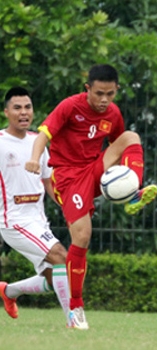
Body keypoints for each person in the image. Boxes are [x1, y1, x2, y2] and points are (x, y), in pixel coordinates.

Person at [25, 64, 157, 330]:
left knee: (131, 136)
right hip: (68, 178)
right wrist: (34, 159)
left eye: (110, 93)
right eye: (99, 93)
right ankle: (75, 308)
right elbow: (43, 135)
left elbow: (120, 145)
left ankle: (133, 192)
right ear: (88, 89)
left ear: (116, 90)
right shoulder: (70, 107)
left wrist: (123, 171)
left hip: (94, 171)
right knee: (83, 236)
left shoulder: (113, 113)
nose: (104, 100)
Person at [0, 87, 71, 327]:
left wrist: (69, 206)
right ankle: (75, 320)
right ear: (6, 112)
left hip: (38, 221)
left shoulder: (37, 142)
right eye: (17, 108)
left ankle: (8, 292)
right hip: (14, 222)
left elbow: (49, 182)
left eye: (27, 107)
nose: (23, 113)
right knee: (62, 256)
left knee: (57, 278)